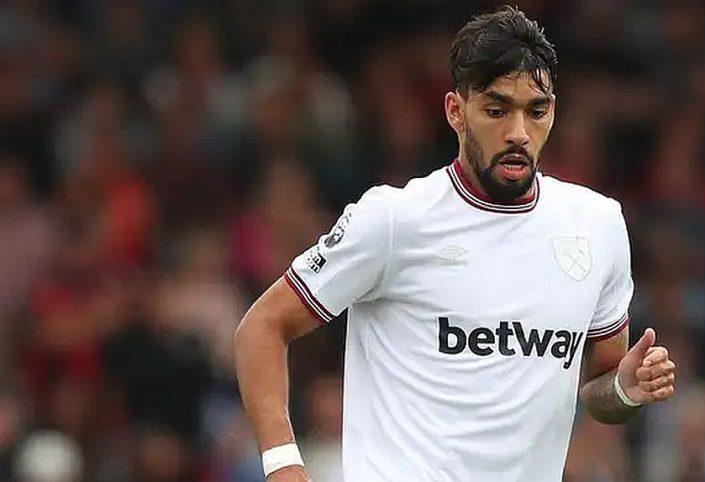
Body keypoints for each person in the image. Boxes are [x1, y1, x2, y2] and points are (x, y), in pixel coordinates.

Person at [234, 7, 677, 481]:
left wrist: (627, 390)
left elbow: (597, 389)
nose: (518, 133)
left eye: (536, 111)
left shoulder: (598, 225)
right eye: (496, 109)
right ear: (455, 111)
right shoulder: (395, 220)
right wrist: (284, 468)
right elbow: (262, 327)